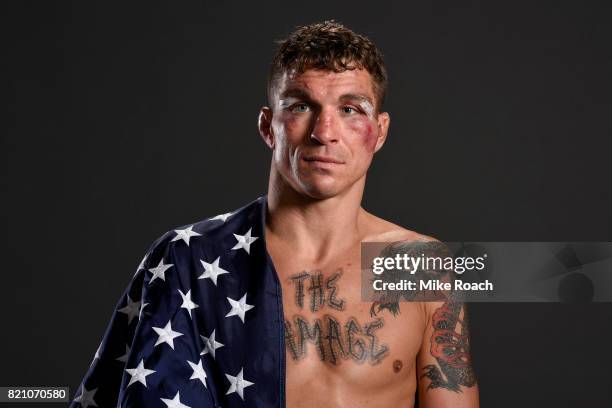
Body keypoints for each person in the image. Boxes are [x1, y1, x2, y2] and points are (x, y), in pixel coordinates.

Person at [71, 20, 479, 408]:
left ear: (381, 131)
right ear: (269, 126)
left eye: (351, 109)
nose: (324, 132)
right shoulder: (188, 258)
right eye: (302, 106)